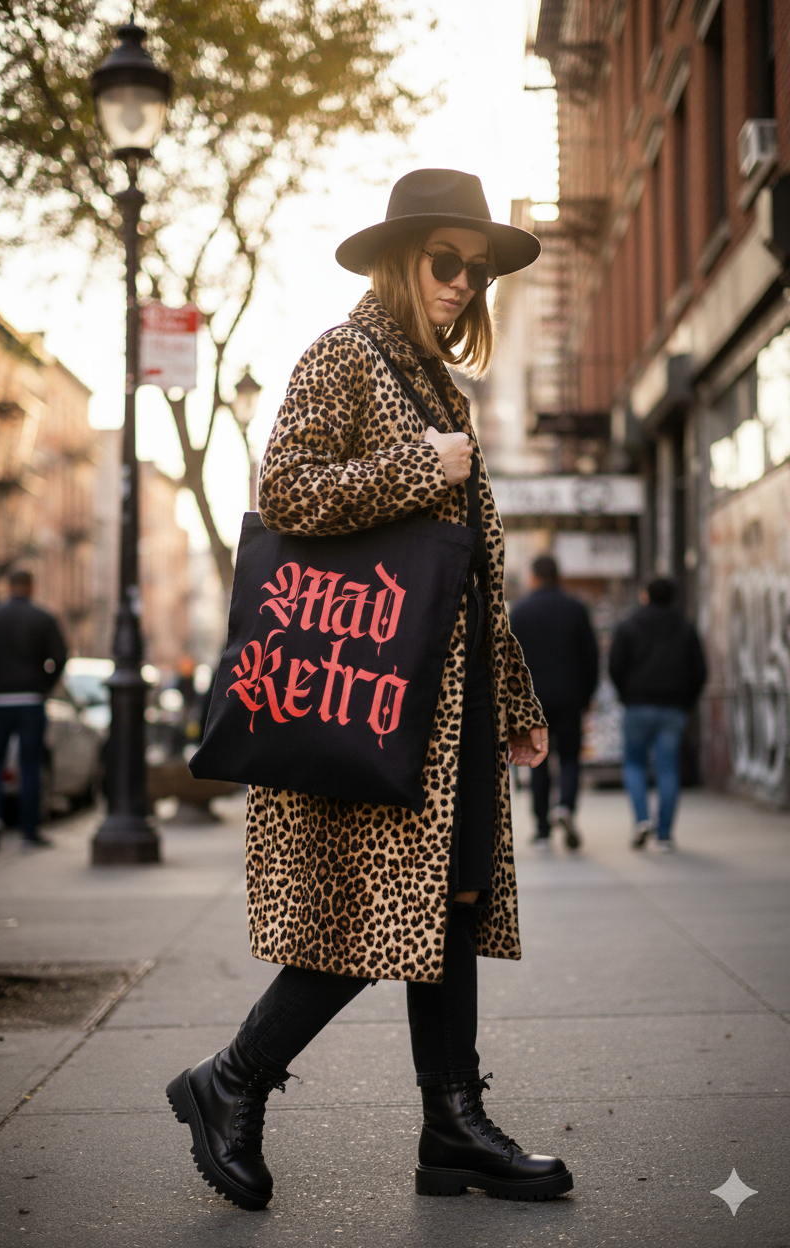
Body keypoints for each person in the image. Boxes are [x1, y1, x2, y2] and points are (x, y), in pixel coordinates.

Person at [165, 169, 573, 1210]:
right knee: (375, 913)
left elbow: (470, 576)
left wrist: (515, 701)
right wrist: (419, 469)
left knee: (448, 904)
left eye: (477, 271)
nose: (462, 283)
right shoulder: (343, 356)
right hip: (373, 696)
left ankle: (451, 1127)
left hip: (449, 703)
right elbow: (286, 491)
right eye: (446, 261)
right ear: (400, 259)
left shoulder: (440, 387)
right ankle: (231, 1079)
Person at [608, 576, 706, 851]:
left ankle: (642, 819)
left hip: (637, 706)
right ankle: (664, 835)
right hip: (673, 708)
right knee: (668, 768)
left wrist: (626, 695)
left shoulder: (628, 625)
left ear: (645, 596)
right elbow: (699, 670)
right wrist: (686, 701)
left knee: (634, 764)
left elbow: (615, 666)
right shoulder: (685, 627)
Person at [0, 569, 68, 852]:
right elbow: (60, 657)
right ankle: (29, 831)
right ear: (31, 587)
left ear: (8, 587)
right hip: (31, 701)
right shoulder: (43, 617)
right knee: (30, 766)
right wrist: (43, 685)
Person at [508, 554, 599, 851]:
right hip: (571, 697)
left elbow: (509, 660)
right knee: (570, 757)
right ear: (558, 576)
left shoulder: (521, 611)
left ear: (534, 577)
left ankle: (542, 829)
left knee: (538, 762)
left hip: (533, 703)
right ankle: (566, 808)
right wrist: (588, 695)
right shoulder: (575, 609)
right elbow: (591, 656)